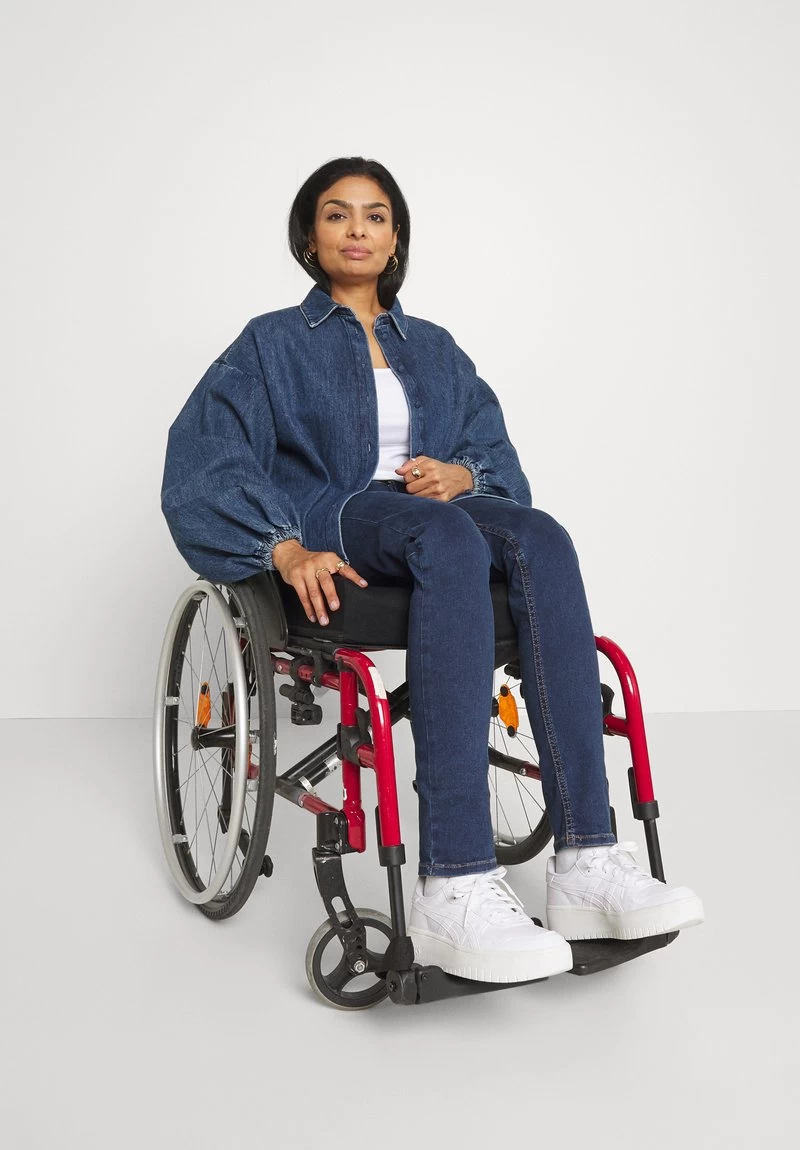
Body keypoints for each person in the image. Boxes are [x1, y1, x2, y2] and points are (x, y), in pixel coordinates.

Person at [161, 156, 704, 984]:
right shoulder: (271, 342)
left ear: (396, 238)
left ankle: (588, 860)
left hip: (431, 515)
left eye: (375, 215)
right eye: (337, 214)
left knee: (543, 538)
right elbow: (203, 460)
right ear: (310, 238)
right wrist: (282, 547)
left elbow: (496, 461)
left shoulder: (436, 350)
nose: (357, 228)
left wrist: (461, 474)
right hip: (336, 512)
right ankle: (453, 883)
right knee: (447, 538)